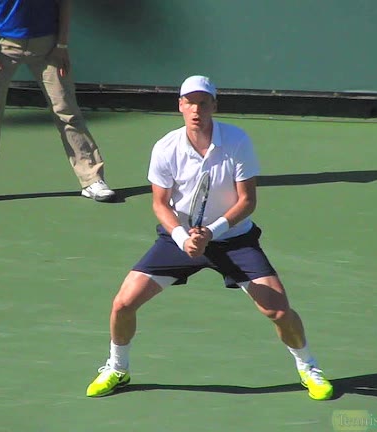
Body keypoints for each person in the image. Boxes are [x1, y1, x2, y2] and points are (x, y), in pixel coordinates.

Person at [85, 75, 333, 400]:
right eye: (189, 102)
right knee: (123, 304)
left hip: (234, 240)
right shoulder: (166, 147)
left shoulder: (237, 141)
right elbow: (160, 204)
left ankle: (309, 368)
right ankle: (118, 368)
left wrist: (212, 232)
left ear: (214, 105)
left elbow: (247, 201)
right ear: (180, 106)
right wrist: (182, 237)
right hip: (179, 239)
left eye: (203, 103)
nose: (196, 110)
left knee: (279, 311)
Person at [0, 0, 115, 205]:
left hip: (48, 47)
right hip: (2, 47)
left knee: (67, 111)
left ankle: (92, 180)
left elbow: (64, 4)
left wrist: (62, 45)